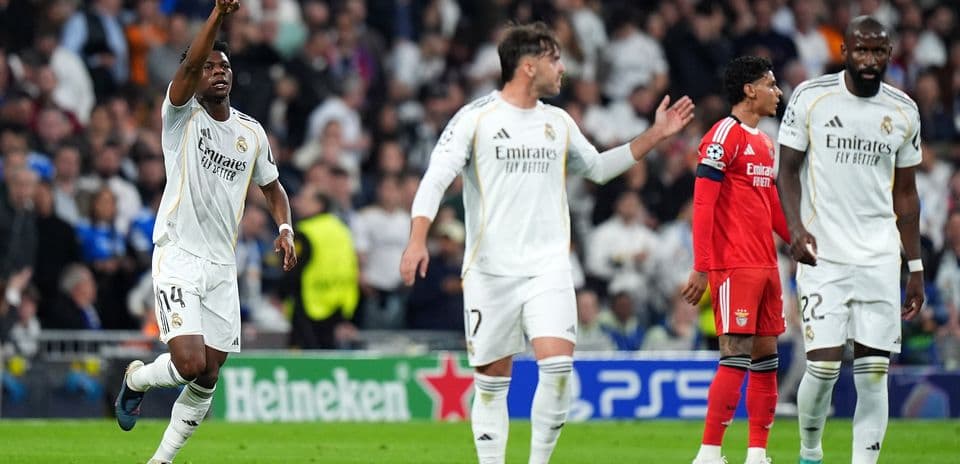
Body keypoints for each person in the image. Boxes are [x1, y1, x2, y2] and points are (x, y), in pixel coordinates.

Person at [399, 22, 694, 464]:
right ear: (528, 65)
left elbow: (595, 167)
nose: (563, 68)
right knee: (492, 383)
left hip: (549, 268)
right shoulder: (476, 118)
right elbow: (435, 180)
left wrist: (655, 135)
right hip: (490, 271)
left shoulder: (558, 121)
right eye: (555, 59)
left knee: (557, 370)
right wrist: (417, 239)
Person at [113, 2, 297, 464]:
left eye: (226, 66)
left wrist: (285, 226)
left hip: (221, 264)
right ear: (194, 77)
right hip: (177, 253)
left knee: (209, 374)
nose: (218, 72)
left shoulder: (251, 133)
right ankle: (136, 380)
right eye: (209, 66)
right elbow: (192, 61)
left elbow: (273, 188)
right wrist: (218, 14)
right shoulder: (180, 117)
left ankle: (161, 460)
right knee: (190, 362)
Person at [776, 16, 924, 464]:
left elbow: (906, 194)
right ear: (845, 52)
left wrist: (914, 267)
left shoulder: (903, 110)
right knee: (821, 368)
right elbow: (786, 171)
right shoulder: (811, 97)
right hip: (824, 255)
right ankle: (810, 451)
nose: (869, 60)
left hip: (880, 256)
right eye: (861, 50)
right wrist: (796, 230)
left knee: (873, 373)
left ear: (889, 55)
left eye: (878, 52)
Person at [681, 55, 788, 464]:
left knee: (766, 356)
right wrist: (702, 265)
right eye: (770, 84)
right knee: (735, 351)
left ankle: (757, 454)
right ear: (749, 89)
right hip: (734, 264)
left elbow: (771, 202)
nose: (777, 92)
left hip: (766, 265)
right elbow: (703, 203)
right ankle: (709, 453)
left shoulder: (764, 142)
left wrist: (796, 241)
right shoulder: (723, 135)